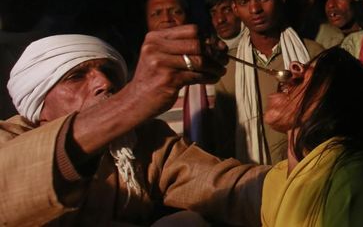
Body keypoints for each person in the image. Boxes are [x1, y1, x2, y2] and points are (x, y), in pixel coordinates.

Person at [0, 30, 268, 226]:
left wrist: (302, 182)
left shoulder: (144, 140)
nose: (104, 82)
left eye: (108, 71)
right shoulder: (9, 138)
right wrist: (133, 99)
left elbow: (230, 188)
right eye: (76, 76)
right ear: (39, 105)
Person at [260, 47, 363, 226]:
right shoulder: (275, 179)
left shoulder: (354, 178)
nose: (295, 66)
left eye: (319, 71)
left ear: (339, 101)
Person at [215, 0, 324, 164]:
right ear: (235, 8)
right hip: (253, 182)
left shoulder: (313, 54)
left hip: (309, 173)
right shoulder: (229, 66)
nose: (255, 9)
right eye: (244, 2)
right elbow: (224, 140)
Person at [145, 0, 211, 151]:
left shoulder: (211, 68)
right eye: (157, 13)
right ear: (146, 22)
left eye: (176, 12)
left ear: (188, 18)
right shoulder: (138, 81)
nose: (167, 19)